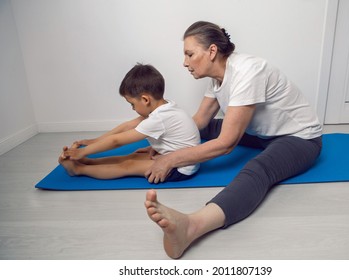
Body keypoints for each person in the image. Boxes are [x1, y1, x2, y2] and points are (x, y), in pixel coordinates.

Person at [144, 21, 323, 258]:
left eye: (189, 54)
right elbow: (198, 123)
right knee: (203, 129)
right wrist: (166, 145)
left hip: (299, 138)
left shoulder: (248, 71)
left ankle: (193, 226)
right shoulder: (217, 77)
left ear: (212, 51)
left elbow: (227, 144)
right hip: (262, 135)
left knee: (259, 168)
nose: (185, 62)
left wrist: (171, 159)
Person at [59, 63, 200, 181]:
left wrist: (82, 152)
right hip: (173, 155)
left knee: (128, 165)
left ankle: (79, 169)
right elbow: (127, 126)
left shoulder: (159, 118)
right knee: (133, 156)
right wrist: (94, 141)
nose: (132, 108)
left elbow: (117, 141)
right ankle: (90, 163)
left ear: (145, 100)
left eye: (132, 104)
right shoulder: (164, 107)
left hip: (181, 168)